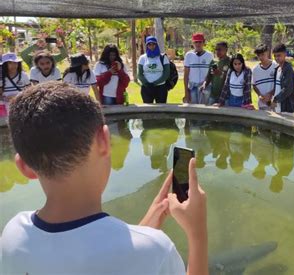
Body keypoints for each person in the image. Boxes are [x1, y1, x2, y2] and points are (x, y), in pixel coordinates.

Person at [1, 82, 208, 275]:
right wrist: (197, 234)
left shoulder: (13, 234)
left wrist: (144, 228)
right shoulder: (157, 251)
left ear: (24, 167)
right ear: (104, 140)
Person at [137, 36, 170, 104]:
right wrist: (147, 83)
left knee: (161, 109)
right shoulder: (142, 58)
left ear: (156, 44)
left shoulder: (163, 57)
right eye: (149, 44)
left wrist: (155, 83)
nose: (151, 46)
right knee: (147, 110)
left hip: (160, 88)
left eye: (153, 44)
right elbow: (139, 74)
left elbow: (166, 73)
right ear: (147, 45)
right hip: (146, 88)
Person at [183, 33, 213, 104]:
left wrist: (206, 83)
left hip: (205, 87)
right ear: (193, 43)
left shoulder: (209, 55)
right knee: (193, 110)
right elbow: (186, 75)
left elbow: (211, 73)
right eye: (196, 42)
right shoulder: (189, 55)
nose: (198, 44)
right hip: (192, 87)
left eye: (200, 42)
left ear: (203, 42)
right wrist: (186, 92)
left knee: (204, 110)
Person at [201, 41, 230, 105]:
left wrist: (221, 74)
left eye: (219, 49)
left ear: (226, 50)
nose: (217, 51)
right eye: (216, 49)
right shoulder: (213, 61)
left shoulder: (230, 62)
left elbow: (232, 78)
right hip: (213, 95)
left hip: (225, 96)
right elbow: (209, 76)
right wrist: (204, 84)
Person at [270, 43, 294, 114]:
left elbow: (288, 89)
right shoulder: (277, 69)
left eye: (279, 55)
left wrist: (275, 100)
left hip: (286, 107)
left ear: (285, 54)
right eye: (275, 56)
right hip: (278, 106)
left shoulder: (288, 69)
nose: (276, 58)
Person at [252, 44, 278, 111]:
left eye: (263, 54)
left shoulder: (276, 66)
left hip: (275, 104)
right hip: (262, 105)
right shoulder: (255, 69)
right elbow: (254, 85)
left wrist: (270, 94)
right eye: (258, 55)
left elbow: (279, 84)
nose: (261, 57)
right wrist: (259, 95)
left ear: (267, 52)